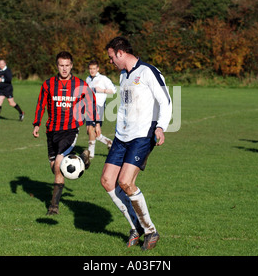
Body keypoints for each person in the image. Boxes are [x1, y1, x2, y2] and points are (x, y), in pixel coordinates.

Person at [100, 37, 172, 250]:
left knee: (125, 182)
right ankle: (136, 227)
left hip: (142, 135)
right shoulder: (123, 75)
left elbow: (165, 100)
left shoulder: (148, 72)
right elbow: (125, 106)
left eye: (112, 57)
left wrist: (161, 127)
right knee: (107, 180)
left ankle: (150, 231)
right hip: (122, 136)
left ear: (120, 53)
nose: (111, 61)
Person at [32, 51, 100, 215]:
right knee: (54, 168)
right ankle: (82, 158)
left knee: (59, 165)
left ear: (71, 66)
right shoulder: (48, 84)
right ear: (57, 66)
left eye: (67, 65)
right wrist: (36, 124)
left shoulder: (80, 84)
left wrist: (95, 122)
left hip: (70, 130)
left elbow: (91, 101)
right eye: (61, 65)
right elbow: (41, 104)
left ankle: (53, 207)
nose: (64, 69)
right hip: (51, 131)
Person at [85, 59, 117, 159]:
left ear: (97, 69)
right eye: (90, 69)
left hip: (98, 106)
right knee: (90, 131)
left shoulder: (103, 79)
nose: (92, 71)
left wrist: (102, 90)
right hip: (89, 107)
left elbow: (114, 90)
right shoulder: (88, 79)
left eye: (94, 68)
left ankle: (91, 154)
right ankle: (109, 142)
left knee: (92, 129)